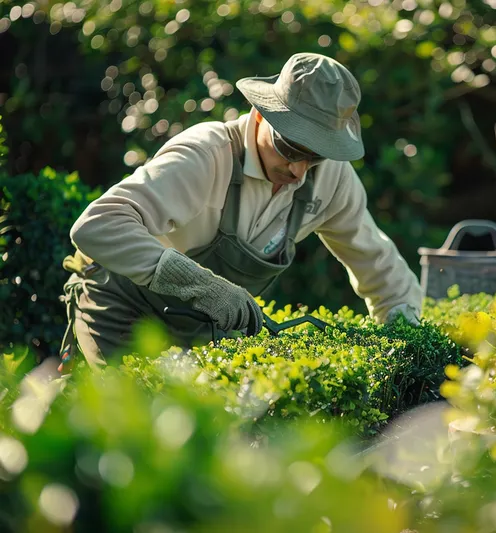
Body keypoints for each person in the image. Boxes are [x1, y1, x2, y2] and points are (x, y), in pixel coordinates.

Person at [58, 52, 423, 373]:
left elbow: (379, 267)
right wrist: (201, 286)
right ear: (261, 116)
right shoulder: (206, 155)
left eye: (316, 155)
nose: (299, 171)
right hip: (123, 308)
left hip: (200, 328)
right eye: (291, 148)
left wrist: (407, 343)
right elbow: (97, 225)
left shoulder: (331, 179)